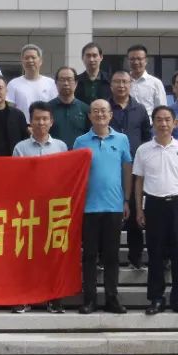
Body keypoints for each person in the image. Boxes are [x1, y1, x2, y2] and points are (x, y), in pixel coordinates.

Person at [133, 105, 178, 316]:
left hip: (177, 204)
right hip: (153, 205)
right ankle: (156, 299)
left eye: (167, 119)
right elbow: (139, 181)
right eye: (159, 119)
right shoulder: (143, 150)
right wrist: (139, 209)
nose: (163, 123)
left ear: (174, 123)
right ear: (153, 123)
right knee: (155, 253)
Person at [73, 100, 132, 315]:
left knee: (112, 256)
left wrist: (126, 199)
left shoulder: (122, 139)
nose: (100, 114)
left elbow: (127, 170)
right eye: (95, 111)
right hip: (88, 207)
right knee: (89, 256)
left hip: (114, 206)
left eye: (104, 111)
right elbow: (75, 173)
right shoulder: (80, 141)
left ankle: (111, 298)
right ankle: (89, 299)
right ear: (89, 116)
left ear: (110, 115)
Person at [12, 101, 68, 314]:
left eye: (45, 119)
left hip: (54, 209)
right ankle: (25, 297)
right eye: (37, 119)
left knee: (52, 255)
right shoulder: (20, 148)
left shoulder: (61, 147)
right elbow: (15, 179)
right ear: (30, 121)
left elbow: (66, 176)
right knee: (27, 256)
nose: (41, 123)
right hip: (28, 210)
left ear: (51, 122)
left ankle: (53, 298)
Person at [108, 70, 151, 270]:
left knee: (134, 212)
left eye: (125, 82)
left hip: (135, 169)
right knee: (110, 216)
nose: (121, 85)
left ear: (131, 84)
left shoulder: (139, 109)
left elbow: (146, 137)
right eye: (117, 82)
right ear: (111, 85)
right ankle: (107, 257)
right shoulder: (105, 108)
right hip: (110, 168)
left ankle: (136, 257)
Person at [6, 44, 57, 111]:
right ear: (22, 61)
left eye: (33, 57)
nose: (30, 60)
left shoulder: (51, 83)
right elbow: (10, 109)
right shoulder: (13, 84)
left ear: (40, 61)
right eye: (26, 58)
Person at [51, 66, 90, 149]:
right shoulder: (47, 109)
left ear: (76, 83)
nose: (66, 83)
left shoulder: (86, 109)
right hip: (54, 154)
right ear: (56, 83)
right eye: (62, 79)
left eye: (69, 79)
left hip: (78, 154)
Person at [127, 44, 169, 111]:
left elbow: (162, 109)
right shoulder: (123, 82)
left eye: (139, 59)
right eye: (132, 59)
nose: (136, 62)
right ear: (128, 61)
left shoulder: (156, 83)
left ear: (146, 61)